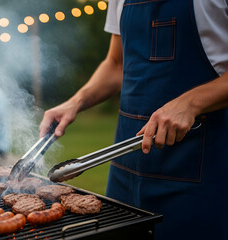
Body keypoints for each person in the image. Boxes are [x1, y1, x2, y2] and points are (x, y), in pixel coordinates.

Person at [39, 1, 228, 239]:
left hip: (200, 167)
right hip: (125, 168)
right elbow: (117, 64)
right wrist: (75, 102)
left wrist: (191, 102)